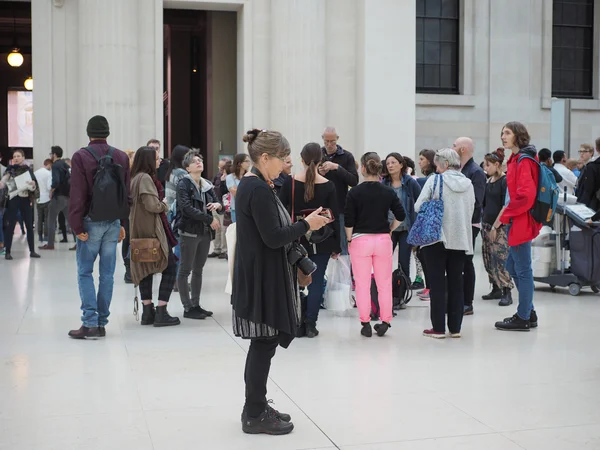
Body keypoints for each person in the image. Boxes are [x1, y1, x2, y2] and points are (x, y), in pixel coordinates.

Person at [232, 129, 330, 435]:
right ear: (265, 158)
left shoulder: (257, 185)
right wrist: (307, 224)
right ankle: (254, 412)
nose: (285, 166)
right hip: (263, 276)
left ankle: (256, 407)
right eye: (282, 160)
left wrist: (303, 224)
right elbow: (273, 237)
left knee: (264, 343)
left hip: (262, 273)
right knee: (263, 343)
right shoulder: (257, 189)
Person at [68, 115, 130, 339]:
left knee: (85, 272)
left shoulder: (80, 156)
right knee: (107, 275)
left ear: (88, 133)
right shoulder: (121, 156)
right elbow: (126, 194)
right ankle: (102, 323)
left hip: (90, 222)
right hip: (113, 222)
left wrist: (76, 226)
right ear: (108, 132)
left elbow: (77, 194)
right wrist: (123, 223)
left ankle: (90, 323)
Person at [279, 142, 340, 338]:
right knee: (316, 282)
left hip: (295, 238)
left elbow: (281, 211)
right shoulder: (329, 185)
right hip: (322, 240)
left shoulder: (290, 182)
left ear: (301, 159)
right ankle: (311, 324)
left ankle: (296, 322)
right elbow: (334, 217)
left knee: (295, 282)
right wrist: (337, 245)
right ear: (321, 160)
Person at [415, 148, 475, 339]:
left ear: (445, 164)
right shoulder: (468, 183)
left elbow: (418, 206)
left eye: (437, 163)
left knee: (437, 282)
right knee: (457, 281)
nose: (436, 167)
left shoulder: (435, 180)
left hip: (436, 238)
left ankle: (438, 328)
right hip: (461, 238)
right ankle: (455, 328)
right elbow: (471, 209)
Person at [345, 152, 405, 338]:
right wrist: (390, 229)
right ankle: (385, 320)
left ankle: (365, 322)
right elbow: (401, 215)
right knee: (384, 283)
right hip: (382, 240)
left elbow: (348, 220)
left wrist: (349, 239)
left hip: (360, 240)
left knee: (362, 284)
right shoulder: (388, 191)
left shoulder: (354, 192)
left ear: (363, 169)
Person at [495, 121, 541, 332]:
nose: (503, 136)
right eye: (502, 133)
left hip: (522, 220)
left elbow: (525, 195)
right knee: (513, 266)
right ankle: (528, 311)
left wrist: (506, 215)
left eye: (507, 133)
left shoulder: (523, 160)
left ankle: (523, 317)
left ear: (517, 135)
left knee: (522, 270)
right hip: (518, 219)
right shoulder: (516, 159)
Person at [129, 146, 180, 327]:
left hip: (141, 230)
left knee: (146, 269)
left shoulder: (135, 177)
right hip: (152, 230)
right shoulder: (145, 179)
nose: (159, 162)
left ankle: (147, 312)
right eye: (157, 159)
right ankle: (161, 311)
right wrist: (164, 204)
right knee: (170, 266)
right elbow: (152, 205)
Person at [176, 151, 222, 320]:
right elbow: (186, 208)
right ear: (187, 168)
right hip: (189, 231)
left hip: (204, 232)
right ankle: (187, 307)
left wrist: (218, 205)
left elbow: (220, 204)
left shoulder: (207, 184)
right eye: (194, 161)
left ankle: (196, 304)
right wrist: (209, 219)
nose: (198, 163)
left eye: (200, 160)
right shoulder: (183, 184)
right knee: (185, 269)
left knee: (198, 269)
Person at [453, 137, 486, 316]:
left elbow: (477, 202)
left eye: (454, 145)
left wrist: (463, 221)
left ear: (463, 149)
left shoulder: (476, 172)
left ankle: (468, 302)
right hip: (457, 223)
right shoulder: (459, 170)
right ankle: (458, 299)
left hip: (469, 224)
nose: (452, 148)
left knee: (466, 261)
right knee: (458, 262)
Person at [481, 149, 514, 306]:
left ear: (497, 164)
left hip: (498, 227)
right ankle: (495, 286)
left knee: (500, 258)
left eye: (488, 165)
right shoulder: (489, 181)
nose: (485, 168)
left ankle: (506, 290)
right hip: (486, 225)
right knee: (488, 257)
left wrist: (495, 226)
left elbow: (505, 206)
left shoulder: (505, 181)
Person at [382, 153, 421, 282]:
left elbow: (420, 202)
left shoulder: (410, 183)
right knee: (384, 261)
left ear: (401, 164)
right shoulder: (384, 184)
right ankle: (386, 290)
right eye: (388, 163)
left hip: (406, 228)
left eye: (393, 162)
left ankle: (402, 291)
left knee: (404, 262)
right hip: (389, 229)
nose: (390, 165)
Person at [320, 127, 359, 255]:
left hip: (340, 207)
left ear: (337, 139)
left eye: (332, 141)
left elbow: (354, 180)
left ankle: (344, 273)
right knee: (323, 242)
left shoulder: (347, 156)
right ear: (322, 139)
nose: (329, 145)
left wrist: (337, 167)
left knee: (341, 244)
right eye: (326, 141)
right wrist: (318, 173)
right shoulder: (318, 154)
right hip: (322, 207)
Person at [0, 149, 41, 260]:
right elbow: (5, 179)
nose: (16, 158)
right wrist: (2, 183)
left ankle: (32, 251)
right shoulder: (10, 169)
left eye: (18, 156)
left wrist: (33, 184)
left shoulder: (28, 170)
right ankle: (8, 252)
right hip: (13, 199)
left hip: (25, 199)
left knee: (29, 225)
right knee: (10, 226)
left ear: (23, 158)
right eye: (14, 156)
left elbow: (34, 186)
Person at [39, 146, 71, 250]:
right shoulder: (65, 165)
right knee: (70, 221)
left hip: (58, 197)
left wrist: (52, 190)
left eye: (51, 154)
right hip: (67, 196)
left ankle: (50, 244)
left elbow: (56, 181)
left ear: (54, 154)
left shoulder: (56, 165)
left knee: (51, 220)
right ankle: (79, 243)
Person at [414, 149, 437, 295]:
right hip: (426, 220)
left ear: (429, 161)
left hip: (429, 221)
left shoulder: (431, 179)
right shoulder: (428, 178)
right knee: (423, 255)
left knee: (428, 256)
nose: (419, 162)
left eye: (422, 159)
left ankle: (432, 288)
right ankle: (429, 286)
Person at [209, 157, 232, 259]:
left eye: (222, 167)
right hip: (215, 204)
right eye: (219, 166)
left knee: (224, 229)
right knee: (216, 228)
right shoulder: (217, 176)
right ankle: (216, 249)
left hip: (225, 206)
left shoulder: (230, 177)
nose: (220, 168)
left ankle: (224, 250)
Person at [226, 153, 251, 223]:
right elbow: (234, 193)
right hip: (236, 209)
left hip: (249, 208)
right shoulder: (230, 177)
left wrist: (239, 189)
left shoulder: (249, 176)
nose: (249, 163)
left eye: (249, 161)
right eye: (246, 161)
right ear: (240, 163)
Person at [576, 138, 600, 211]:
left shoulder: (591, 166)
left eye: (585, 151)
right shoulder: (586, 167)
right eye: (580, 151)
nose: (581, 153)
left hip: (592, 205)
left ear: (592, 152)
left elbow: (588, 189)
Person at [34, 158, 53, 242]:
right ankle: (46, 236)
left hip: (38, 199)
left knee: (39, 218)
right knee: (46, 219)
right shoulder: (49, 173)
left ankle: (40, 236)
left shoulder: (35, 173)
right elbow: (49, 187)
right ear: (49, 164)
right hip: (47, 198)